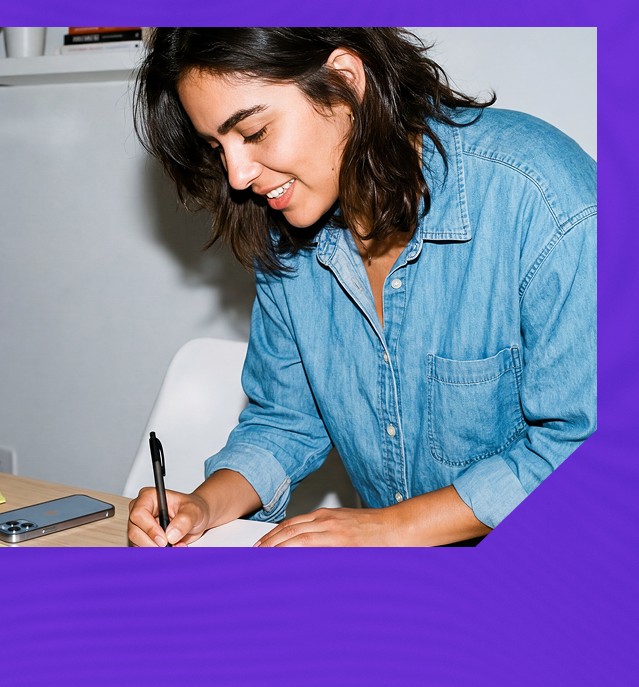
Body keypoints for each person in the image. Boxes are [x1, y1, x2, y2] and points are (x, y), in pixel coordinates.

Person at [128, 28, 596, 547]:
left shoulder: (544, 199)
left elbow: (582, 448)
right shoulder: (288, 230)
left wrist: (390, 528)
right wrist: (202, 505)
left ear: (346, 82)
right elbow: (285, 422)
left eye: (255, 132)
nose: (237, 176)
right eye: (217, 146)